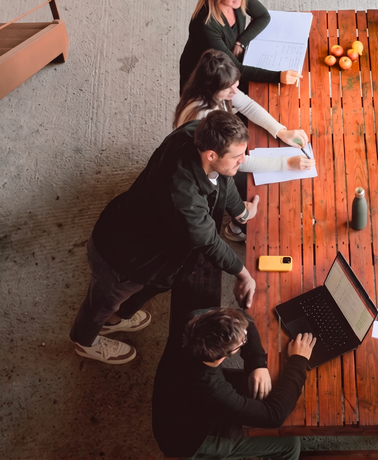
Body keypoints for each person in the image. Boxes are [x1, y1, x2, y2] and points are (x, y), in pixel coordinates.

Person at [69, 111, 260, 364]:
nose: (243, 160)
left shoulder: (195, 132)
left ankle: (114, 322)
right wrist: (243, 275)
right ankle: (85, 340)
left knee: (126, 298)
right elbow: (209, 241)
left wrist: (241, 212)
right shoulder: (185, 199)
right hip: (121, 256)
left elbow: (222, 182)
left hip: (144, 238)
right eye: (238, 156)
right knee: (101, 303)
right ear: (211, 154)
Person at [175, 51, 316, 242]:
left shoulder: (217, 91)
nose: (235, 92)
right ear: (212, 88)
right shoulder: (204, 116)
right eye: (229, 89)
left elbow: (247, 105)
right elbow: (237, 162)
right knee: (261, 192)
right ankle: (237, 227)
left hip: (221, 155)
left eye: (236, 85)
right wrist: (286, 163)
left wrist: (281, 131)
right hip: (209, 171)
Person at [153, 307, 315, 460]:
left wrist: (257, 364)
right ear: (223, 356)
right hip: (186, 439)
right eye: (242, 341)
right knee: (290, 444)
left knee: (263, 384)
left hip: (184, 399)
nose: (246, 336)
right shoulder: (210, 388)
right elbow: (274, 417)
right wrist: (298, 360)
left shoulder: (191, 321)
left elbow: (242, 317)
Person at [179, 0, 301, 93]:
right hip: (206, 78)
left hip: (227, 65)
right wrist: (279, 76)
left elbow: (263, 16)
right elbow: (235, 68)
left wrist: (241, 42)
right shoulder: (206, 24)